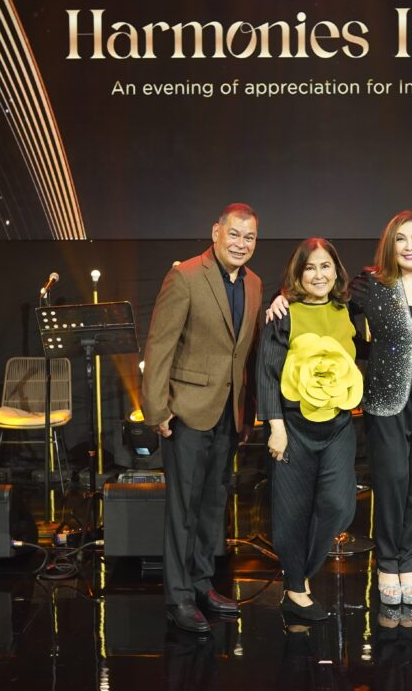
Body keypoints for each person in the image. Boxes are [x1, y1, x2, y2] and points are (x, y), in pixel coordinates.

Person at [269, 210, 412, 605]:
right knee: (393, 484)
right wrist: (280, 299)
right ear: (390, 244)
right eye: (401, 239)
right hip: (386, 399)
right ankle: (389, 563)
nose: (409, 246)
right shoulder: (371, 285)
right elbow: (322, 298)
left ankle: (409, 563)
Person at [140, 203, 262, 633]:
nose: (241, 243)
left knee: (212, 505)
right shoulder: (186, 275)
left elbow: (243, 355)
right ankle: (178, 596)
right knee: (183, 509)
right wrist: (157, 409)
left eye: (249, 237)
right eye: (234, 234)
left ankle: (202, 581)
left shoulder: (255, 284)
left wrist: (246, 414)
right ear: (216, 232)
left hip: (228, 416)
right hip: (186, 413)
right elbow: (159, 345)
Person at [257, 238, 363, 621]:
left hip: (337, 425)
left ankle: (301, 573)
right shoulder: (283, 312)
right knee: (291, 512)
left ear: (337, 271)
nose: (318, 275)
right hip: (292, 427)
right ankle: (296, 589)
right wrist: (276, 427)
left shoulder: (349, 308)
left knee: (338, 505)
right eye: (310, 268)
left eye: (325, 266)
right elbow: (266, 372)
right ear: (298, 274)